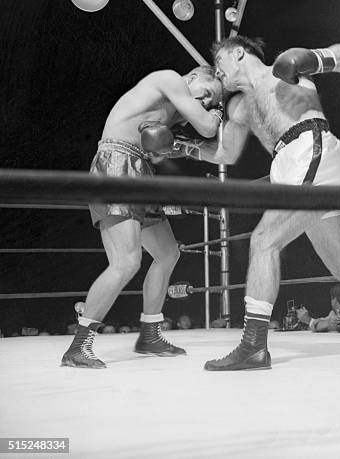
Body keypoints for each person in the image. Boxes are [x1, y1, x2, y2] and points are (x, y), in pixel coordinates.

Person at [174, 36, 340, 370]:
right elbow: (225, 153)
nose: (217, 72)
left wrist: (315, 58)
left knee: (263, 241)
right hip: (291, 165)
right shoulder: (240, 106)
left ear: (238, 52)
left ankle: (254, 347)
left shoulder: (283, 70)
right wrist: (180, 146)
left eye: (219, 63)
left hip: (309, 149)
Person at [61, 65, 223, 369]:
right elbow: (208, 127)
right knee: (126, 262)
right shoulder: (169, 79)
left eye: (211, 100)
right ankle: (78, 346)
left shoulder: (173, 112)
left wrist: (171, 146)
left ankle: (150, 333)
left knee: (167, 253)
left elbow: (185, 151)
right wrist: (219, 110)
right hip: (117, 162)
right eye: (208, 93)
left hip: (139, 170)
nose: (206, 102)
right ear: (194, 77)